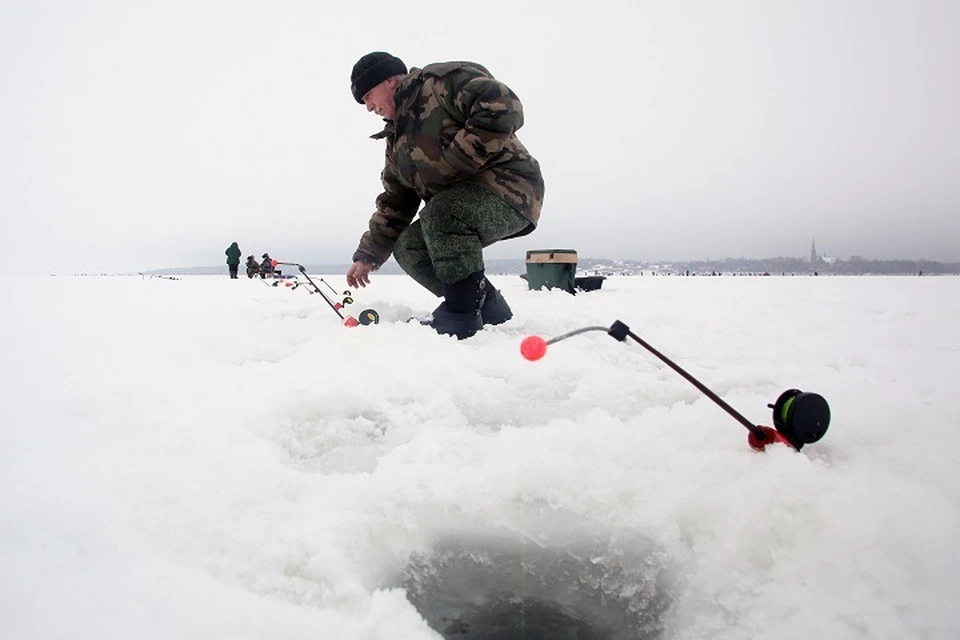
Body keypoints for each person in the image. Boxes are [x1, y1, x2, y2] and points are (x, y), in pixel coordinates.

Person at [346, 52, 544, 339]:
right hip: (457, 206)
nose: (368, 107)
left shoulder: (438, 84)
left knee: (440, 213)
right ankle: (489, 307)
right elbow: (396, 201)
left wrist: (456, 160)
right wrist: (369, 254)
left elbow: (503, 105)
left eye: (368, 96)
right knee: (409, 247)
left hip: (513, 188)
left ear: (389, 80)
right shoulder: (397, 143)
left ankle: (461, 313)